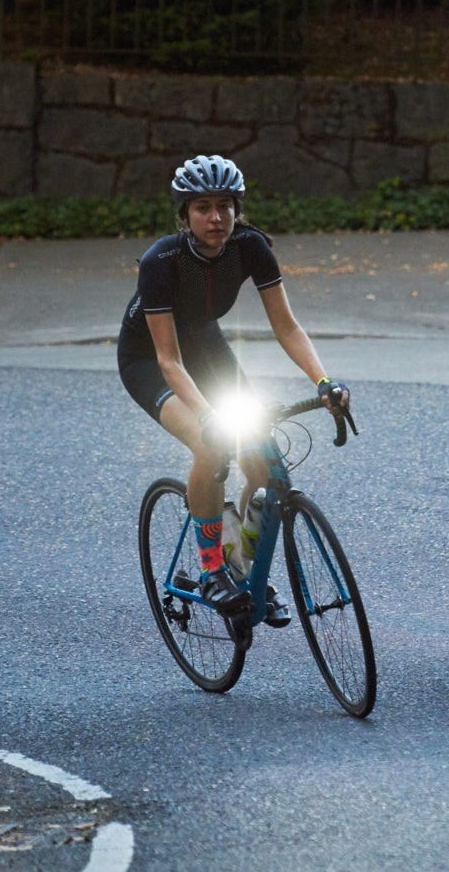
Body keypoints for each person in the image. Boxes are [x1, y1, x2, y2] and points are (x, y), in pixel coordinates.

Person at [117, 155, 351, 622]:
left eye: (224, 205)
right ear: (184, 215)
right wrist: (209, 416)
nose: (215, 217)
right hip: (150, 359)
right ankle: (209, 568)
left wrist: (323, 381)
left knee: (264, 464)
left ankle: (242, 565)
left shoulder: (250, 246)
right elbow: (169, 360)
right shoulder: (161, 260)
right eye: (202, 207)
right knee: (212, 444)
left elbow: (287, 327)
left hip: (204, 343)